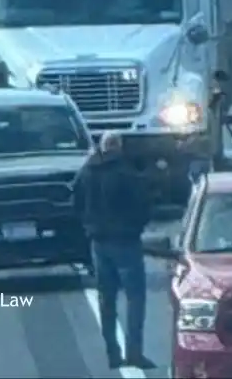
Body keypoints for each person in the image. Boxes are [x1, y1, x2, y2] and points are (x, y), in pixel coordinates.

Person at [73, 132, 156, 370]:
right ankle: (134, 353)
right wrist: (137, 227)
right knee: (135, 298)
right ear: (119, 147)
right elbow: (143, 204)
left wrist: (89, 226)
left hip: (98, 243)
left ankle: (112, 353)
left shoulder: (86, 172)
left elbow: (75, 203)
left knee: (106, 299)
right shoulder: (126, 174)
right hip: (126, 243)